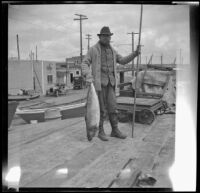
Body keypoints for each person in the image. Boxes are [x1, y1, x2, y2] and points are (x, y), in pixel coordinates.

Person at [81, 26, 141, 141]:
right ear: (100, 37)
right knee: (101, 109)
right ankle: (101, 131)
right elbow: (84, 63)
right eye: (104, 36)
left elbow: (123, 61)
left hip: (111, 84)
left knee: (113, 108)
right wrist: (88, 75)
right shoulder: (93, 50)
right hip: (99, 85)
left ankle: (115, 130)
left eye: (108, 36)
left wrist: (135, 53)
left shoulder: (113, 51)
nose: (107, 38)